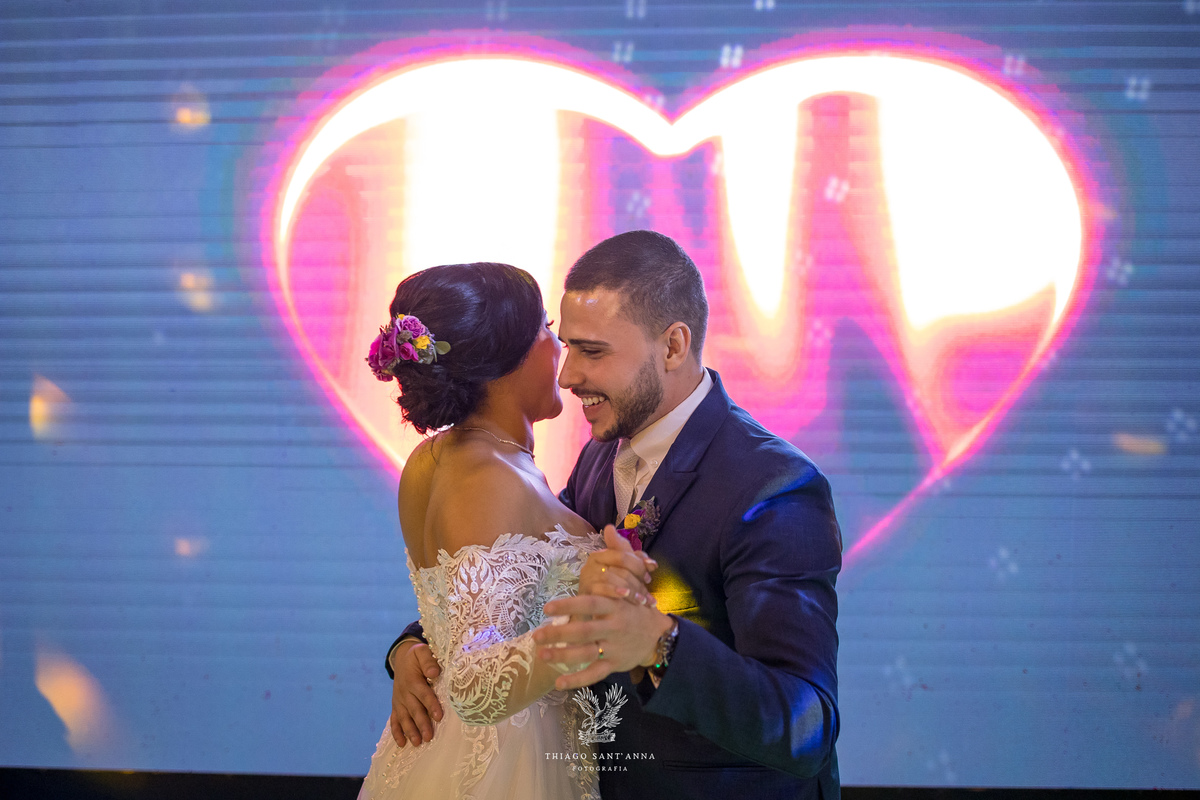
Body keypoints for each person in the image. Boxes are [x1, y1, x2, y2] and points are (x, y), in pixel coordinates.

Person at [387, 232, 842, 799]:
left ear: (674, 346)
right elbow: (521, 581)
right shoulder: (602, 452)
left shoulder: (771, 488)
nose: (567, 374)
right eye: (564, 343)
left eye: (592, 352)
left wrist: (661, 646)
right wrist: (414, 649)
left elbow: (807, 726)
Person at [357, 262, 657, 800]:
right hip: (505, 766)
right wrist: (593, 625)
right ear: (505, 361)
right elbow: (473, 682)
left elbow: (469, 615)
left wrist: (408, 649)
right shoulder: (487, 478)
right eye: (545, 328)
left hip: (454, 750)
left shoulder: (438, 459)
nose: (559, 350)